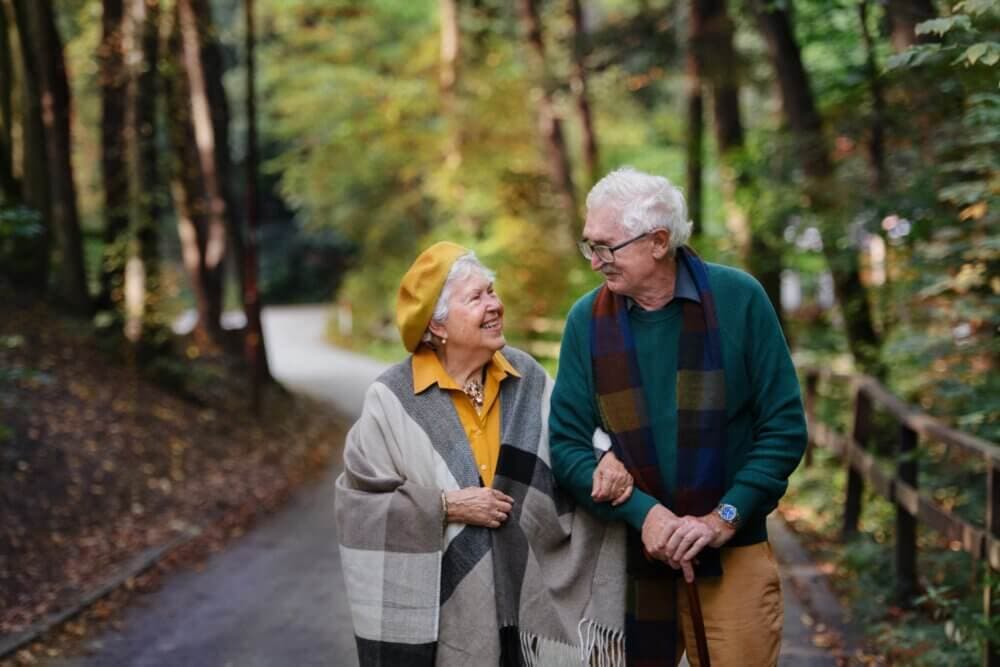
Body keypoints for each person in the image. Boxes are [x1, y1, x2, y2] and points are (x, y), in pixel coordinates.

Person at [549, 167, 807, 666]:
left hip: (734, 555)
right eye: (589, 246)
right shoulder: (586, 321)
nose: (596, 262)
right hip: (627, 562)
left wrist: (722, 519)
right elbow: (566, 444)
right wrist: (645, 515)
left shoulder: (740, 300)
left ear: (658, 242)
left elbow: (783, 429)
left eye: (606, 247)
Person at [335, 242, 632, 666]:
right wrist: (445, 506)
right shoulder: (391, 399)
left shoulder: (526, 375)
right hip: (445, 612)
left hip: (529, 593)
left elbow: (572, 433)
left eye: (492, 292)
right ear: (436, 326)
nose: (495, 305)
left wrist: (604, 456)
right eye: (476, 298)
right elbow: (359, 505)